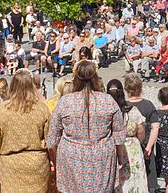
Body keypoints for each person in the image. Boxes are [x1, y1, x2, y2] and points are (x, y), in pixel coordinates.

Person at [47, 61, 126, 192]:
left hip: (71, 158)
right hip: (102, 158)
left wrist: (57, 161)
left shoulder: (65, 101)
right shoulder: (107, 100)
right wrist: (120, 158)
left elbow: (52, 139)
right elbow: (119, 136)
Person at [0, 72, 50, 193]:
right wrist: (52, 160)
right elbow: (50, 140)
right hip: (37, 164)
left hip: (11, 165)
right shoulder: (42, 109)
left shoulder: (2, 110)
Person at [107, 79, 148, 193]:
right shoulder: (132, 110)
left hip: (113, 148)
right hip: (132, 148)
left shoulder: (106, 112)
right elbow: (141, 131)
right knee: (135, 180)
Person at [123, 73, 160, 193]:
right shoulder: (148, 105)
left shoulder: (124, 105)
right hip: (146, 146)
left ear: (126, 88)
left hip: (129, 147)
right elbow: (156, 127)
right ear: (141, 87)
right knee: (148, 181)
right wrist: (149, 147)